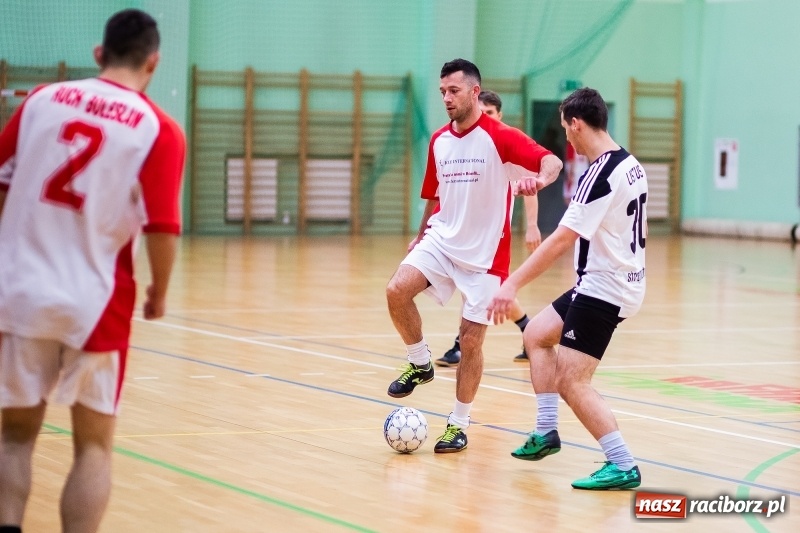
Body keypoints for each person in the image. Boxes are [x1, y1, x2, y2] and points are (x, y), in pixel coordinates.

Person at [0, 9, 185, 532]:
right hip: (95, 302)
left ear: (99, 54)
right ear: (155, 61)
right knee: (94, 447)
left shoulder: (39, 102)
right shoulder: (158, 129)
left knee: (13, 438)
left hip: (18, 292)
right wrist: (160, 293)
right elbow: (163, 226)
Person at [385, 59, 562, 453]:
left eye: (454, 91)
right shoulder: (439, 141)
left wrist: (543, 178)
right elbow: (435, 198)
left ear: (475, 92)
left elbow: (552, 161)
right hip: (442, 241)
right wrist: (418, 239)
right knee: (396, 290)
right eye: (442, 92)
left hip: (485, 258)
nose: (447, 98)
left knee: (470, 341)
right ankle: (420, 361)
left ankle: (458, 424)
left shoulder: (501, 137)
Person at [487, 87, 646, 489]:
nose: (566, 138)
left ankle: (622, 463)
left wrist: (511, 284)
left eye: (565, 129)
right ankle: (546, 432)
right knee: (537, 336)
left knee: (572, 380)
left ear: (576, 124)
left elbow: (561, 241)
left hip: (605, 289)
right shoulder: (629, 164)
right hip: (606, 280)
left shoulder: (598, 174)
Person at [435, 90, 540, 367]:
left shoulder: (504, 143)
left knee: (477, 286)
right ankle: (529, 330)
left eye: (491, 113)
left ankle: (460, 345)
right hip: (466, 232)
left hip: (493, 237)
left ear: (499, 115)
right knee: (495, 291)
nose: (485, 118)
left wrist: (532, 226)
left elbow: (530, 186)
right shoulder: (463, 147)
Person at [563, 141, 589, 205]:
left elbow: (571, 160)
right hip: (583, 172)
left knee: (568, 197)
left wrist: (570, 173)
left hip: (574, 172)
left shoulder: (572, 144)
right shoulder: (586, 144)